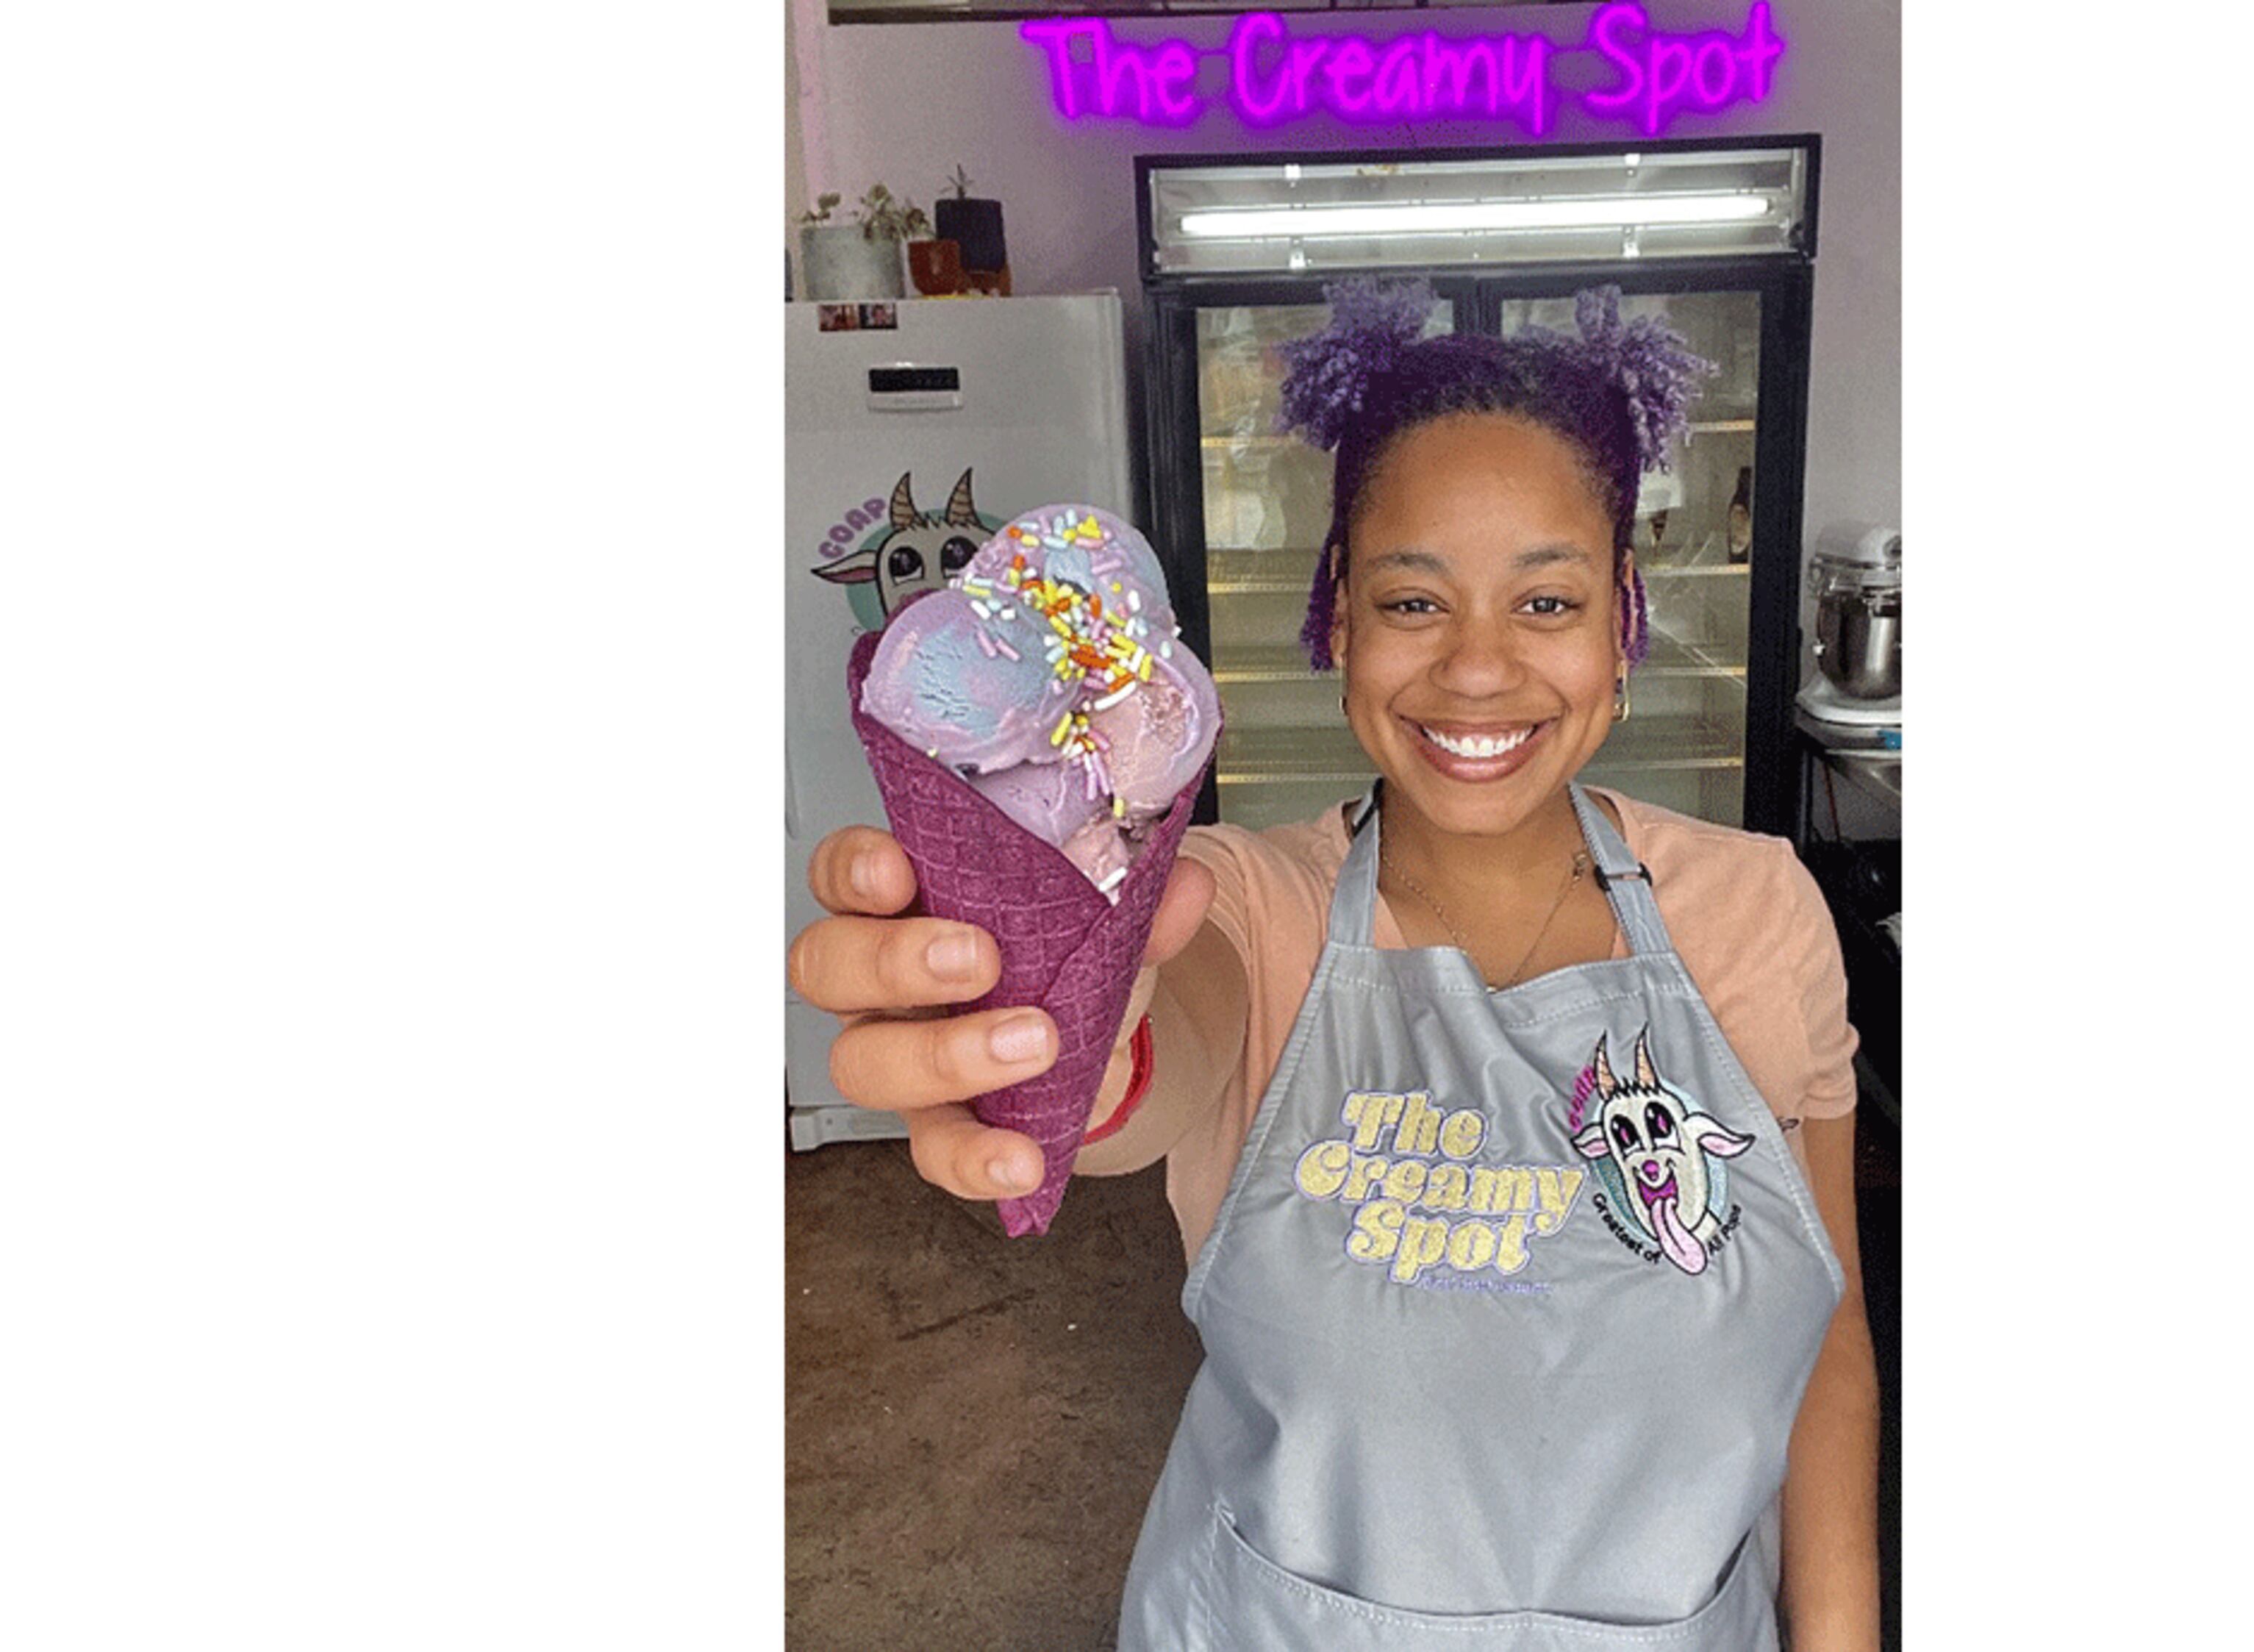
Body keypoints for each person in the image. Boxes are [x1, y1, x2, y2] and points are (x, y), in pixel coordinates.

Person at [790, 279, 1879, 1651]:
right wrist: (1052, 1017)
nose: (1478, 669)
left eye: (1545, 600)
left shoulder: (1756, 914)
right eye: (1413, 599)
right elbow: (1154, 1045)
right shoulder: (1250, 906)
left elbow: (1823, 1338)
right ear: (1339, 625)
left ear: (1623, 627)